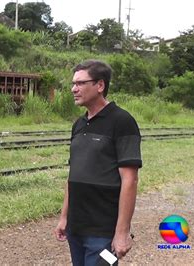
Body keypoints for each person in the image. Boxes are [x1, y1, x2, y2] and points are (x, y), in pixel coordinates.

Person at [54, 60, 142, 265]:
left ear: (100, 85)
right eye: (73, 83)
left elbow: (130, 180)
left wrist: (122, 232)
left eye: (80, 83)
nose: (74, 89)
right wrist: (64, 217)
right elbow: (73, 175)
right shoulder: (78, 124)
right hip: (76, 227)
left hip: (103, 230)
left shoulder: (122, 121)